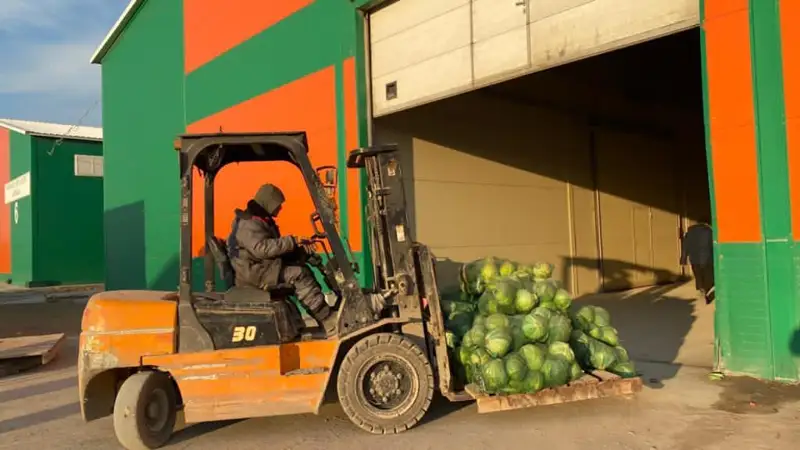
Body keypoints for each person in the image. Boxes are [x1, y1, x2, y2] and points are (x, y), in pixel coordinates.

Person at [227, 183, 337, 336]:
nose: (280, 208)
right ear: (268, 202)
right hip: (255, 274)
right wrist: (292, 241)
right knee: (298, 274)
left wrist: (299, 252)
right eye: (278, 204)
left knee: (301, 268)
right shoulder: (248, 223)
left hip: (261, 269)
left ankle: (318, 319)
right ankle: (327, 319)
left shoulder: (260, 220)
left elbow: (272, 248)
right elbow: (262, 249)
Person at [680, 220, 714, 304]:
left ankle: (701, 289)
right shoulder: (709, 232)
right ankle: (707, 292)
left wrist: (683, 259)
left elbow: (685, 247)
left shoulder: (689, 233)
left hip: (694, 259)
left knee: (698, 276)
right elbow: (713, 245)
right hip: (707, 259)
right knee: (708, 277)